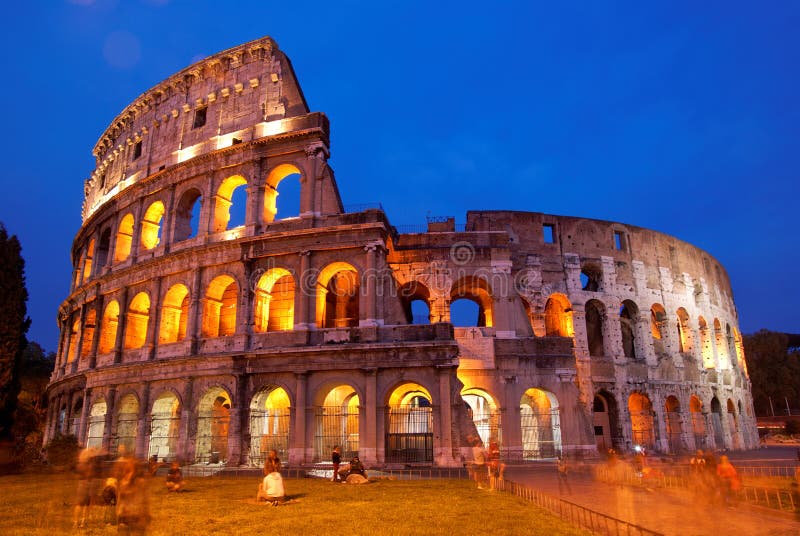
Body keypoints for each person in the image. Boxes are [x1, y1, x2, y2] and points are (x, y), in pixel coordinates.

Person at [116, 457, 151, 535]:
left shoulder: (140, 484)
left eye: (129, 471)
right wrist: (119, 516)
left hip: (136, 518)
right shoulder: (123, 484)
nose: (127, 474)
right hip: (124, 518)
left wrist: (145, 516)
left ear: (135, 472)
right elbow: (120, 501)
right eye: (126, 471)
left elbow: (145, 501)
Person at [73, 447, 100, 529]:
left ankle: (77, 522)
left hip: (82, 483)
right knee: (85, 504)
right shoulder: (91, 464)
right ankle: (82, 522)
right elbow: (93, 473)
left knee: (80, 504)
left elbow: (77, 472)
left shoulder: (80, 464)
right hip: (88, 483)